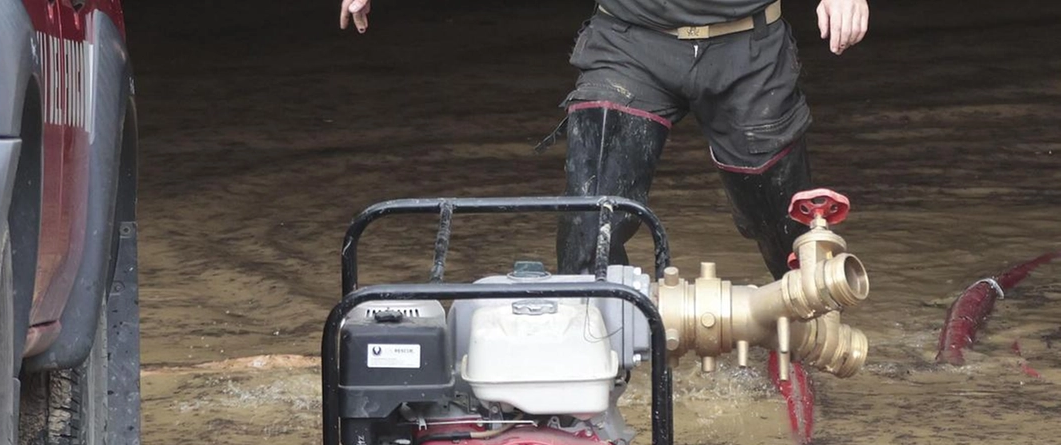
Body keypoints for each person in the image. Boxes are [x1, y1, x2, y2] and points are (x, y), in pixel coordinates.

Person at [339, 0, 869, 282]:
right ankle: (588, 359)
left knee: (787, 234)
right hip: (629, 43)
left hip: (748, 45)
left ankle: (809, 349)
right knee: (593, 219)